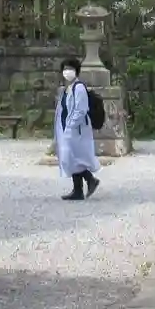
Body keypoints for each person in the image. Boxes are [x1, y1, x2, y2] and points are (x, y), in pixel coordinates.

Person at [54, 57, 100, 201]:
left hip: (77, 129)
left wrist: (70, 126)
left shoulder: (79, 88)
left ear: (77, 71)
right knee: (72, 157)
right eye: (65, 69)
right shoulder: (67, 89)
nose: (67, 71)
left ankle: (90, 180)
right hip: (69, 129)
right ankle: (78, 189)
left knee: (75, 157)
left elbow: (80, 110)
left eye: (70, 69)